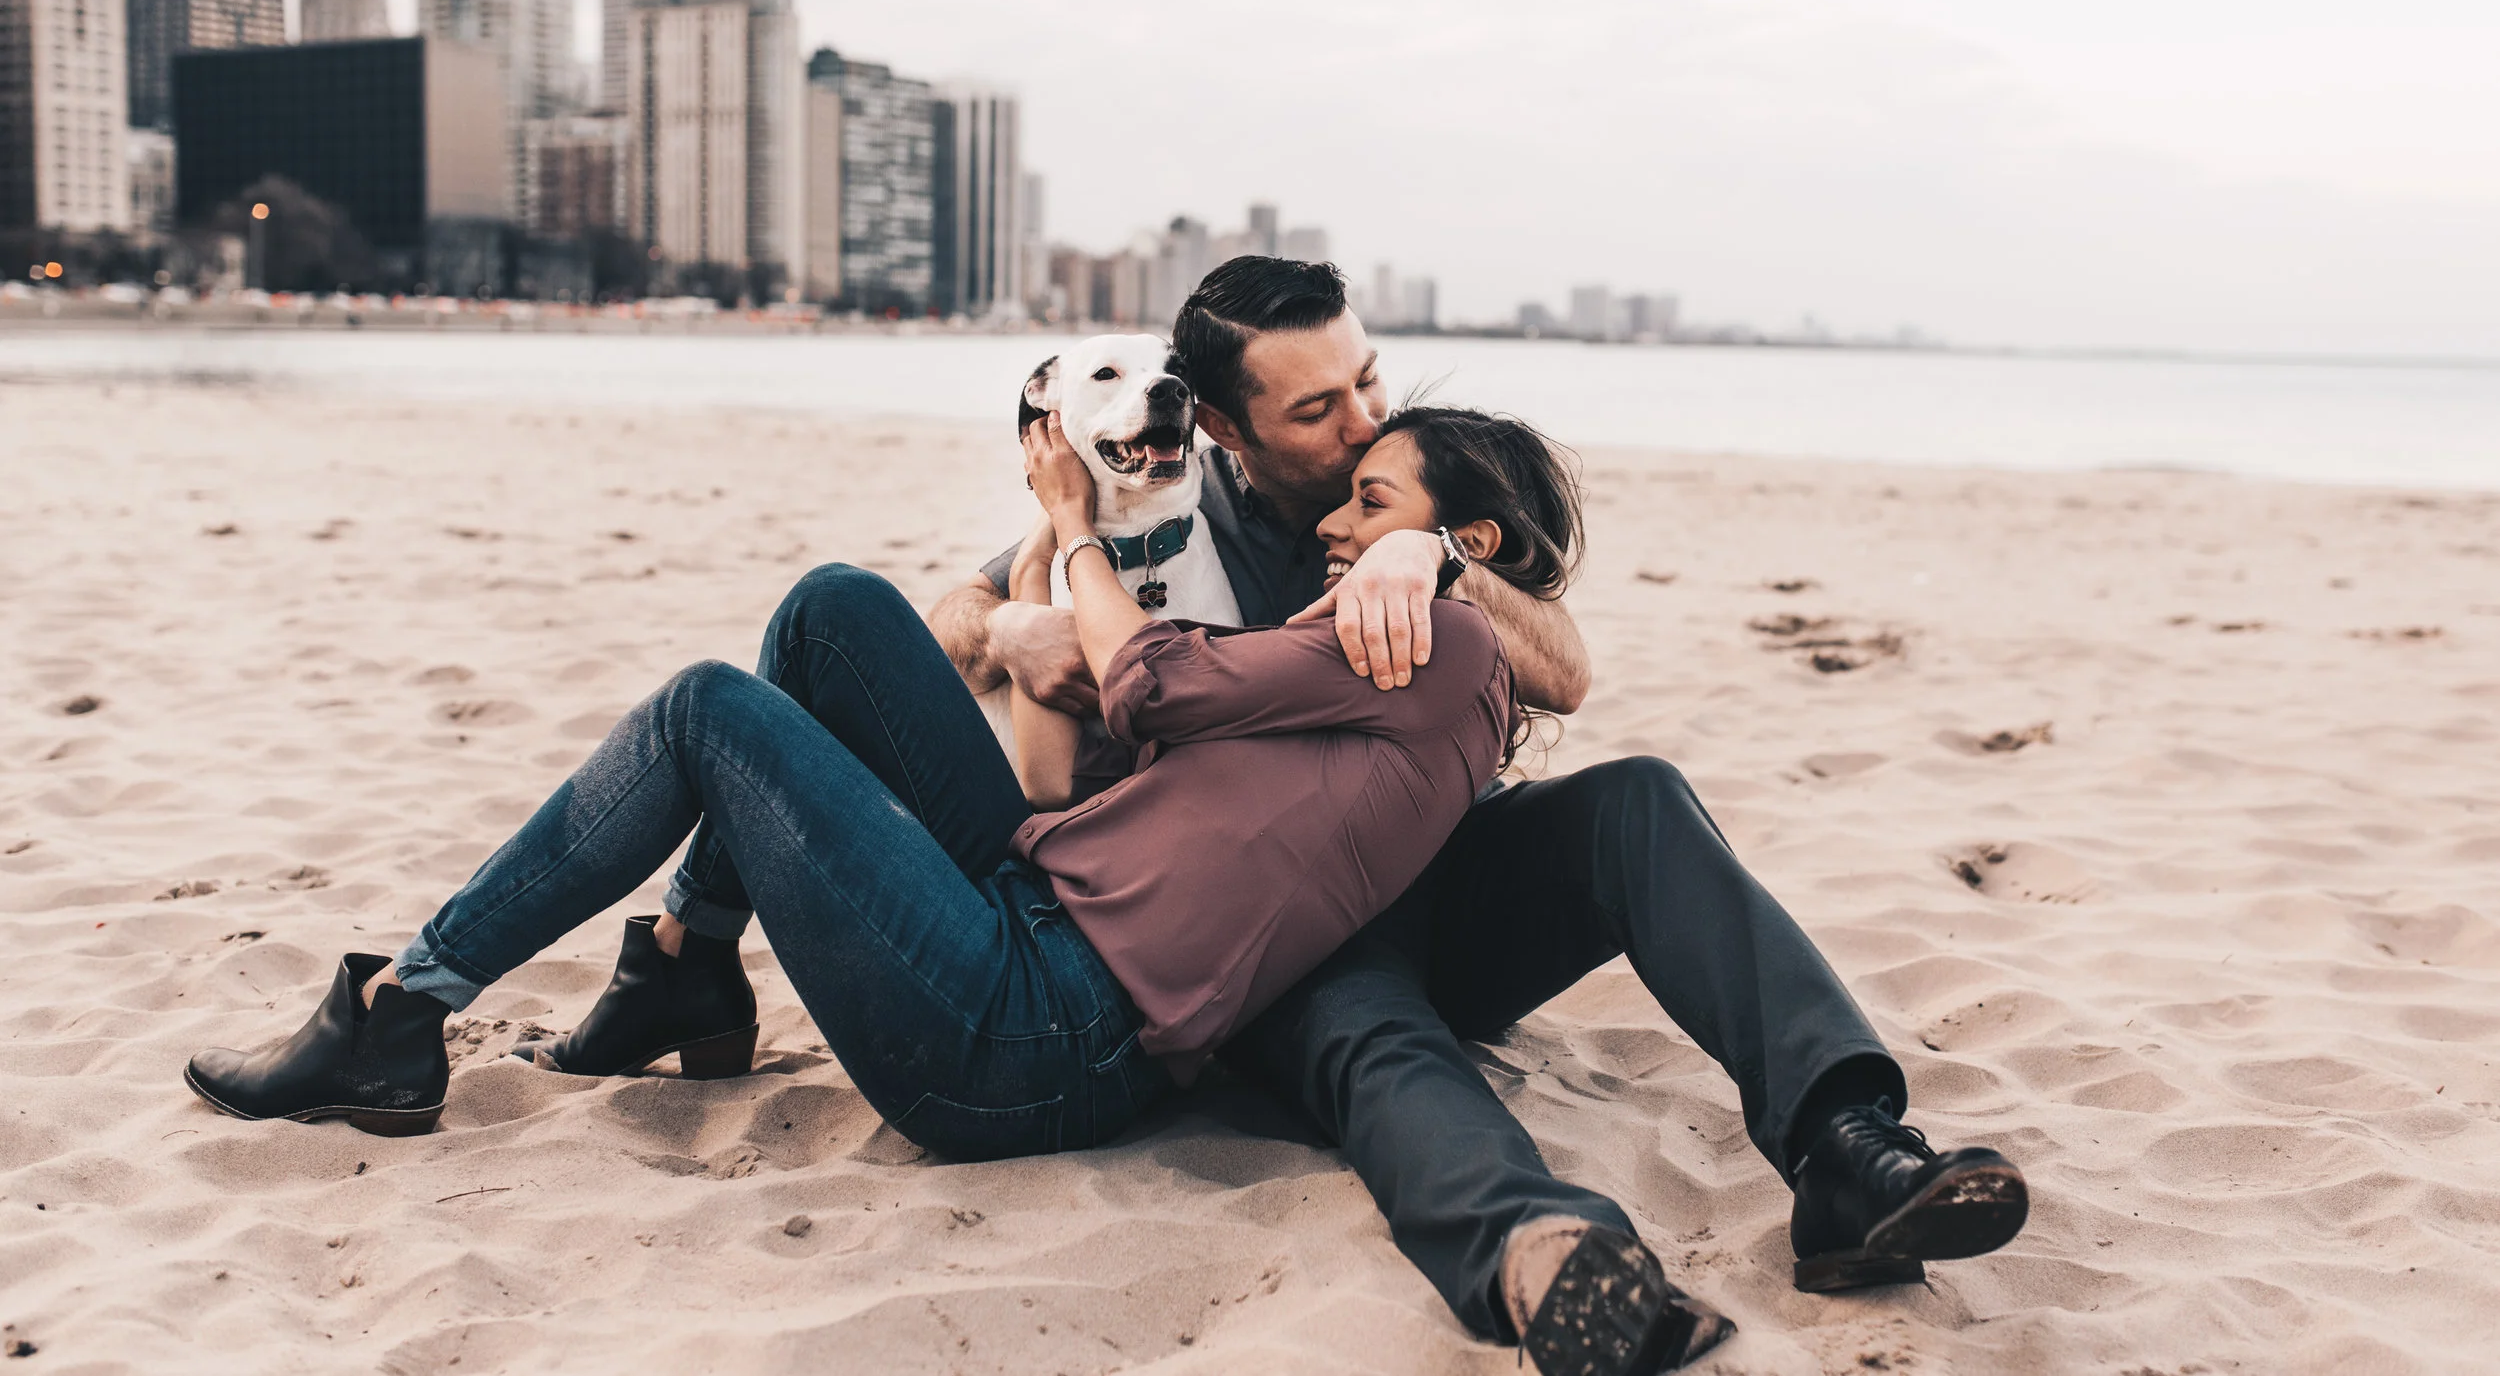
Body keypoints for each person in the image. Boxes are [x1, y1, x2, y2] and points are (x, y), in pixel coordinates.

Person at [181, 400, 1735, 1371]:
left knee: (703, 709)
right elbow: (1067, 655)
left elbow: (1152, 687)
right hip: (1044, 901)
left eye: (1372, 478)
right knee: (832, 612)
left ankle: (405, 1005)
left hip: (1034, 1028)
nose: (1342, 493)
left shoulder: (1415, 624)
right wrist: (1048, 569)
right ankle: (687, 963)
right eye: (1331, 429)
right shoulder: (1358, 593)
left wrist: (1075, 544)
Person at [935, 257, 2029, 1375]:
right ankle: (1537, 1251)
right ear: (1221, 424)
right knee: (1367, 1017)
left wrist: (1435, 553)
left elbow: (1564, 670)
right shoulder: (1169, 510)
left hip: (1452, 873)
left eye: (1365, 379)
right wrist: (1010, 632)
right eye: (1317, 410)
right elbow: (948, 618)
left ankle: (1845, 1145)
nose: (1364, 422)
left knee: (1638, 797)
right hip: (1284, 916)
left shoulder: (1412, 482)